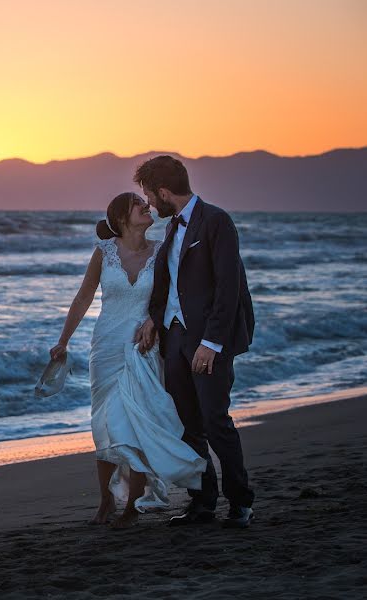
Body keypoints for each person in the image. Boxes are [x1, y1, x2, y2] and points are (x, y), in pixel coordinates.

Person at [50, 192, 206, 529]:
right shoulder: (104, 252)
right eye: (138, 204)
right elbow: (83, 297)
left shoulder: (161, 252)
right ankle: (106, 500)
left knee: (136, 422)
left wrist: (153, 321)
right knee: (105, 425)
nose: (146, 206)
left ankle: (134, 505)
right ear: (122, 217)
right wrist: (63, 340)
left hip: (142, 346)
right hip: (105, 346)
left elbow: (171, 298)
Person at [134, 155, 256, 529]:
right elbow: (169, 283)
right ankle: (201, 503)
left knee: (216, 421)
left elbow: (228, 287)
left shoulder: (216, 221)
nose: (150, 204)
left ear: (164, 191)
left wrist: (212, 343)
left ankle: (239, 503)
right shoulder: (171, 229)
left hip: (207, 343)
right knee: (188, 425)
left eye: (150, 196)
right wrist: (156, 320)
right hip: (176, 338)